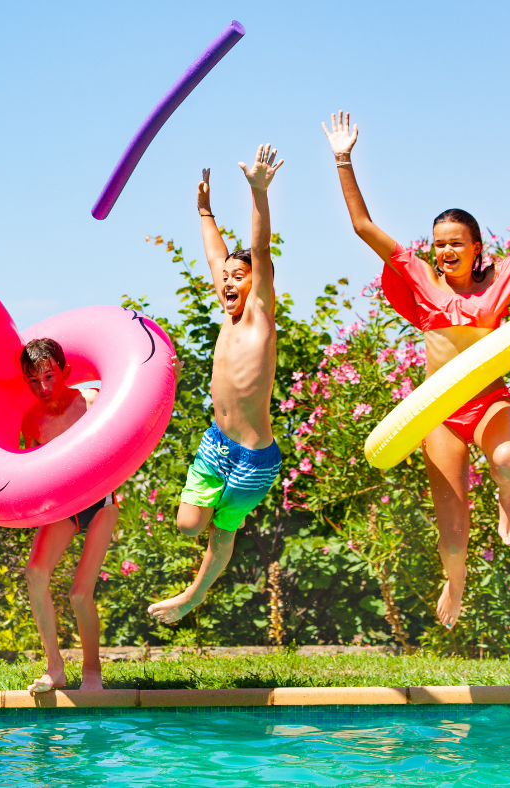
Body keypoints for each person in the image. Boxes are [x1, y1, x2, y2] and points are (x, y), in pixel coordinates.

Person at [323, 110, 510, 628]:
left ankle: (507, 499)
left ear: (476, 247)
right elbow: (363, 227)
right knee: (453, 531)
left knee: (509, 458)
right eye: (439, 243)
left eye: (456, 243)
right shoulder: (419, 277)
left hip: (488, 401)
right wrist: (343, 159)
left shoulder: (502, 275)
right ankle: (455, 582)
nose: (445, 251)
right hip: (439, 411)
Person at [148, 143, 285, 626]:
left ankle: (192, 597)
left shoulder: (259, 316)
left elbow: (260, 251)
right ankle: (193, 587)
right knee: (189, 525)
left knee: (221, 536)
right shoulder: (228, 314)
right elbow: (214, 255)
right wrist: (205, 211)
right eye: (224, 277)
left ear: (256, 284)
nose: (226, 281)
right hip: (216, 443)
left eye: (237, 276)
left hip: (254, 458)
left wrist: (258, 192)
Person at [21, 338, 178, 693]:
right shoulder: (32, 420)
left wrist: (172, 379)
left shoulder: (91, 401)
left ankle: (92, 671)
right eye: (33, 381)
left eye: (49, 376)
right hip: (64, 507)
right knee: (35, 572)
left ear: (65, 371)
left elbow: (138, 414)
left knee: (80, 594)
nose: (43, 388)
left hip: (100, 503)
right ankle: (55, 668)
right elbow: (31, 471)